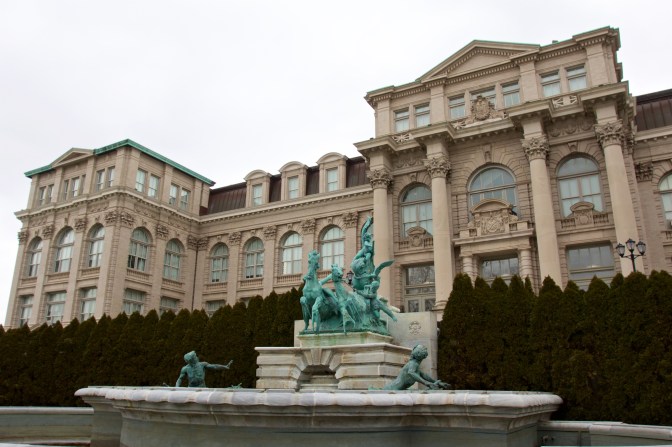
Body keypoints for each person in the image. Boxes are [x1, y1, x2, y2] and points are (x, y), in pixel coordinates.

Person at [383, 345, 450, 390]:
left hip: (397, 388)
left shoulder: (415, 364)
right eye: (424, 357)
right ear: (421, 356)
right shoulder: (413, 364)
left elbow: (423, 375)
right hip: (393, 388)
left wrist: (435, 382)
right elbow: (411, 373)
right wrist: (427, 383)